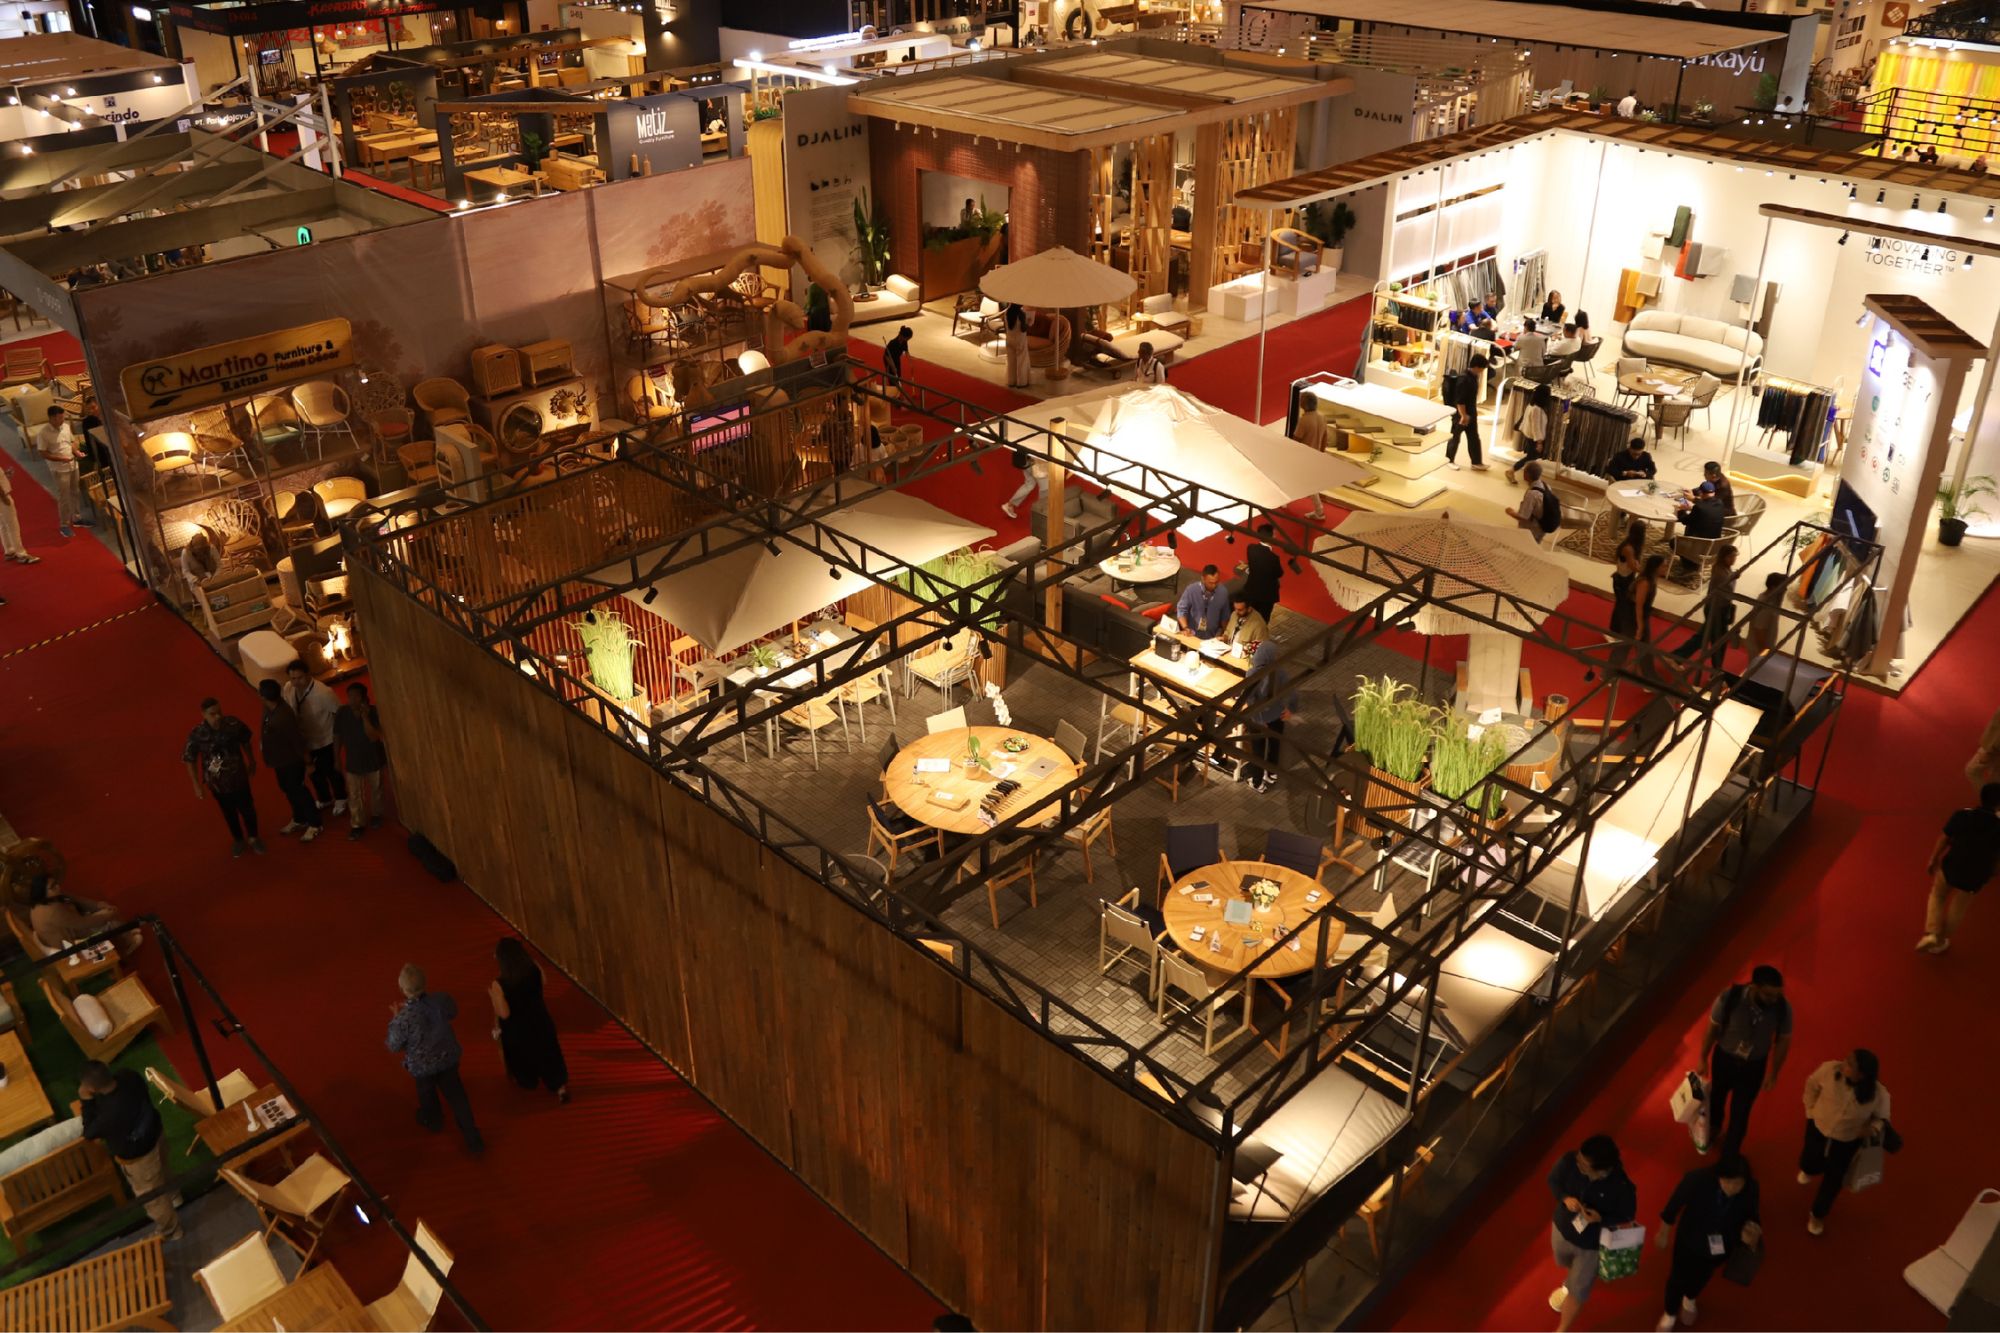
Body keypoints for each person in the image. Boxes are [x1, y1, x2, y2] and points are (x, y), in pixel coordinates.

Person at [1653, 1155, 1762, 1331]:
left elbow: (1753, 1215)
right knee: (1677, 1277)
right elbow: (1673, 1207)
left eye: (1738, 1184)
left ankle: (1690, 1298)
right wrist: (1663, 1232)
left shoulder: (1751, 1188)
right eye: (1727, 1182)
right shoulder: (1697, 1179)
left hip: (1722, 1244)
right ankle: (1670, 1312)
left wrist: (1752, 1232)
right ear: (1718, 1175)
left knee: (1703, 1275)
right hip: (1689, 1240)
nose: (1732, 1188)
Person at [78, 1061, 181, 1240]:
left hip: (140, 1159)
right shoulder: (129, 1076)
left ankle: (171, 1231)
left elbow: (89, 1132)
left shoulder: (107, 1116)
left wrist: (86, 1101)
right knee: (164, 1170)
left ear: (92, 1089)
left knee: (153, 1198)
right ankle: (175, 1197)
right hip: (155, 1134)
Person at [1546, 1135, 1639, 1332]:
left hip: (1591, 1245)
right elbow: (1553, 1180)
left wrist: (1601, 1219)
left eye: (1584, 1164)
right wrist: (1565, 1198)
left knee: (1578, 1291)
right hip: (1562, 1230)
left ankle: (1562, 1329)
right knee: (1565, 1263)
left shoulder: (1621, 1187)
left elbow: (1627, 1214)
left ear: (1602, 1170)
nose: (1578, 1163)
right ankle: (1569, 1282)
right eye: (1579, 1158)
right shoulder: (1569, 1161)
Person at [386, 964, 483, 1152]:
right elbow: (453, 1012)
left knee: (427, 1094)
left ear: (403, 989)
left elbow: (393, 1045)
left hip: (422, 1067)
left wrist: (396, 1018)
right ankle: (473, 1138)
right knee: (457, 1096)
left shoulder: (403, 1019)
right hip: (447, 1058)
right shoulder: (441, 1000)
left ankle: (433, 1121)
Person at [1697, 966, 1793, 1157]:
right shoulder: (1730, 998)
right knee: (1717, 1097)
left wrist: (1774, 1072)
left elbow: (1783, 1041)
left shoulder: (1783, 1008)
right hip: (1724, 1059)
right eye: (1768, 995)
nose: (1774, 1000)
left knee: (1741, 1112)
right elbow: (1712, 1028)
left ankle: (1730, 1153)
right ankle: (1714, 1128)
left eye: (1777, 994)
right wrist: (1702, 1058)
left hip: (1754, 1067)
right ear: (1754, 987)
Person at [1798, 1049, 1887, 1233]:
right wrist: (1810, 1111)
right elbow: (1812, 1084)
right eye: (1847, 1059)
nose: (1843, 1064)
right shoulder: (1829, 1070)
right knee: (1808, 1161)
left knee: (1834, 1178)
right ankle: (1811, 1168)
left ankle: (1818, 1214)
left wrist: (1871, 1129)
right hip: (1819, 1126)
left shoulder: (1877, 1095)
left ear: (1861, 1075)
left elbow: (1882, 1118)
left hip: (1847, 1139)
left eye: (1849, 1064)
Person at [1918, 782, 2000, 954]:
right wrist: (1993, 871)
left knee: (1938, 895)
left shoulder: (1963, 815)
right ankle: (1941, 940)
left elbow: (1944, 838)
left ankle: (1931, 932)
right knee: (1958, 907)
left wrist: (1934, 858)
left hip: (1952, 865)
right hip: (1976, 874)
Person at [491, 938, 569, 1102]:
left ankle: (528, 1080)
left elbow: (504, 1013)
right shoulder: (534, 967)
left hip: (518, 1030)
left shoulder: (500, 984)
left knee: (524, 1057)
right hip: (541, 1020)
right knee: (549, 1053)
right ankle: (559, 1086)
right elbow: (543, 982)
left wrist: (493, 997)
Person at [183, 697, 263, 857]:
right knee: (229, 812)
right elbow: (189, 759)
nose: (218, 716)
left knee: (248, 809)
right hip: (217, 783)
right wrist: (196, 785)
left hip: (239, 778)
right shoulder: (197, 734)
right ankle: (238, 839)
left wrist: (251, 760)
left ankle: (253, 837)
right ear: (203, 714)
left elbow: (246, 741)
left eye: (219, 712)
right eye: (212, 714)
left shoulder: (232, 724)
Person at [257, 679, 322, 843]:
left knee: (299, 791)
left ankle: (315, 823)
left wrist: (308, 763)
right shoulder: (269, 708)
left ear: (264, 697)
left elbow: (297, 741)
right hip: (279, 761)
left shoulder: (283, 717)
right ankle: (299, 818)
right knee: (288, 789)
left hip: (291, 761)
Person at [283, 660, 345, 818]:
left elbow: (339, 713)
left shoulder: (324, 692)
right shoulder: (289, 688)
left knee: (331, 771)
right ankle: (325, 798)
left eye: (300, 678)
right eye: (293, 678)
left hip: (325, 739)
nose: (296, 682)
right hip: (306, 740)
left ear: (308, 675)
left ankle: (341, 798)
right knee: (314, 773)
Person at [26, 873, 143, 956]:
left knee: (108, 911)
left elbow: (78, 900)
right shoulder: (52, 911)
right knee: (111, 917)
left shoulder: (46, 900)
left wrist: (99, 905)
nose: (58, 886)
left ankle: (126, 933)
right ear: (42, 891)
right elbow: (82, 924)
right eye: (53, 886)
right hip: (70, 942)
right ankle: (129, 944)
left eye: (56, 883)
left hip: (72, 926)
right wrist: (106, 915)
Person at [1242, 639, 1297, 793]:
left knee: (1258, 750)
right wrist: (1291, 709)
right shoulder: (1281, 672)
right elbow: (1292, 692)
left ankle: (1257, 782)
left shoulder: (1253, 673)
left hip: (1259, 717)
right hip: (1277, 714)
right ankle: (1272, 773)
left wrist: (1259, 719)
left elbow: (1250, 698)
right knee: (1275, 744)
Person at [337, 682, 388, 841]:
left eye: (356, 696)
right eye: (349, 696)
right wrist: (336, 758)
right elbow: (337, 736)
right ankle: (357, 824)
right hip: (353, 761)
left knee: (376, 790)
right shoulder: (342, 712)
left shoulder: (374, 712)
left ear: (364, 698)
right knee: (354, 794)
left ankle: (376, 815)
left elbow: (374, 737)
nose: (352, 700)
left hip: (374, 759)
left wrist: (365, 717)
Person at [1678, 543, 1737, 666]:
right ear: (1724, 557)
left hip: (1718, 608)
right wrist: (1734, 577)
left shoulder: (1724, 569)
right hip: (1716, 610)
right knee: (1714, 640)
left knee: (1705, 638)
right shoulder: (1720, 572)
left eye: (1735, 556)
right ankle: (1715, 668)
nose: (1734, 559)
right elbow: (1728, 589)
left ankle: (1677, 657)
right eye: (1731, 556)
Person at [34, 404, 84, 537]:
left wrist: (76, 452)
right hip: (59, 469)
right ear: (52, 418)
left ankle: (77, 518)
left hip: (73, 465)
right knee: (64, 497)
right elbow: (42, 453)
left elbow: (72, 442)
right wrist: (59, 459)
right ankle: (64, 525)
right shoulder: (43, 433)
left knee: (76, 492)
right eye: (60, 418)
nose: (63, 420)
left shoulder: (66, 426)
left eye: (63, 417)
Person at [1444, 353, 1488, 470]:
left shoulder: (1473, 377)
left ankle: (1476, 462)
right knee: (1455, 437)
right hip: (1461, 414)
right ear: (1477, 367)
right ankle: (1448, 460)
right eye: (1482, 368)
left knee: (1474, 437)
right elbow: (1460, 400)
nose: (1482, 371)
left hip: (1471, 412)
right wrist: (1463, 415)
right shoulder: (1464, 379)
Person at [1292, 390, 1329, 521]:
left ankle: (1319, 511)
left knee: (1308, 484)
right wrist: (1321, 453)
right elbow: (1325, 437)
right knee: (1308, 482)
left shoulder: (1304, 420)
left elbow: (1296, 440)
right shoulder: (1322, 417)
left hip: (1305, 457)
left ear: (1304, 404)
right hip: (1316, 455)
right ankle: (1319, 510)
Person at [1508, 383, 1554, 482]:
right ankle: (1512, 470)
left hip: (1530, 436)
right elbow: (1536, 427)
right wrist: (1539, 442)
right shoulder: (1537, 409)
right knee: (1530, 457)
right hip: (1533, 438)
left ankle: (1527, 475)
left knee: (1531, 457)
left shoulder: (1531, 405)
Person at [1237, 522, 1282, 621]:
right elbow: (1279, 573)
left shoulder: (1251, 548)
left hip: (1251, 590)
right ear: (1270, 537)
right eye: (1274, 534)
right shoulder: (1273, 558)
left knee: (1248, 617)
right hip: (1266, 595)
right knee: (1263, 620)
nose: (1275, 537)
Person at [0, 457, 39, 565]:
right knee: (13, 526)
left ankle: (9, 550)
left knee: (3, 525)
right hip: (2, 499)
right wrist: (4, 497)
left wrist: (4, 476)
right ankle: (21, 554)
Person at [1174, 565, 1231, 639]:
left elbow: (1225, 616)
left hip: (1212, 637)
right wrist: (1185, 627)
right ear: (1203, 579)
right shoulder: (1191, 590)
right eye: (1210, 583)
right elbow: (1181, 610)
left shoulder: (1223, 592)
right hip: (1192, 635)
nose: (1214, 586)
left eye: (1216, 582)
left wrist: (1226, 634)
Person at [1506, 460, 1555, 543]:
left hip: (1532, 530)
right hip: (1543, 525)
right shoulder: (1546, 486)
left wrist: (1510, 512)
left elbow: (1524, 516)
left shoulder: (1532, 494)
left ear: (1527, 475)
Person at [1743, 571, 1787, 657]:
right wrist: (1763, 653)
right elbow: (1759, 630)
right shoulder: (1766, 605)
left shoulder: (1767, 598)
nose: (1785, 589)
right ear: (1774, 587)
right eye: (1783, 586)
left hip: (1759, 647)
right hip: (1758, 648)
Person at [1002, 301, 1030, 389]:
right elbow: (1023, 329)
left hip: (1009, 339)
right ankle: (1021, 383)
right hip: (1020, 340)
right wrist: (1028, 324)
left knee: (1011, 361)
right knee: (1021, 361)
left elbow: (1005, 326)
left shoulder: (1007, 312)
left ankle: (1011, 381)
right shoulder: (1021, 314)